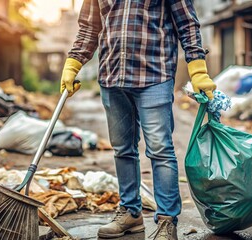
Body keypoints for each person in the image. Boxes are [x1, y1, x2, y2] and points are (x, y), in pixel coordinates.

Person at [60, 0, 216, 239]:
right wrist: (73, 63)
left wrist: (197, 68)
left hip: (154, 75)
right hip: (112, 76)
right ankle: (131, 212)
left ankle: (166, 221)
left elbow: (187, 24)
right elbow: (90, 27)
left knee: (160, 149)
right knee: (122, 149)